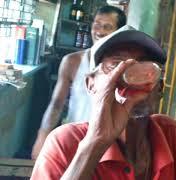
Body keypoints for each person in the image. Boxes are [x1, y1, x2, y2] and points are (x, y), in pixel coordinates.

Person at [31, 25, 176, 180]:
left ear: (160, 88)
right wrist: (95, 143)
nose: (133, 78)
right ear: (91, 85)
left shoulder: (169, 134)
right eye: (116, 65)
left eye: (145, 67)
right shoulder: (64, 143)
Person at [31, 5, 127, 159]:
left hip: (107, 145)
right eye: (96, 24)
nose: (99, 31)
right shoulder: (72, 62)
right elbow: (56, 104)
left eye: (107, 27)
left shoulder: (125, 68)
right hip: (73, 137)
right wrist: (42, 136)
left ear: (119, 32)